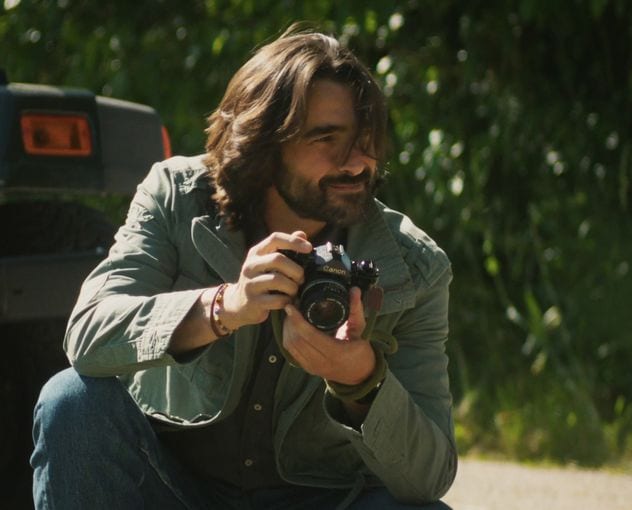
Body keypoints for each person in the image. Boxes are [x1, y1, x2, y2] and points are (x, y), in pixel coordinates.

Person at [30, 25, 456, 509]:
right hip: (174, 489)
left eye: (367, 141)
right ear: (264, 142)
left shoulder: (415, 265)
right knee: (72, 401)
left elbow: (429, 477)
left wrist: (362, 379)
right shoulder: (177, 198)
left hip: (325, 499)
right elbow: (87, 335)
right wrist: (223, 307)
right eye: (327, 139)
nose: (358, 163)